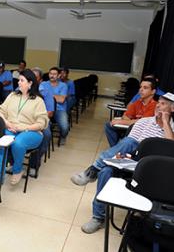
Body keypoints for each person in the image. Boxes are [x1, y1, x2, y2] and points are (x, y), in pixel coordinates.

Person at [71, 93, 174, 234]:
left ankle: (92, 170)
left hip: (153, 171)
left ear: (172, 109)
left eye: (163, 104)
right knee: (107, 170)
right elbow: (130, 147)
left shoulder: (172, 128)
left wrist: (166, 123)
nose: (158, 106)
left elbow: (170, 150)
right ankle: (98, 217)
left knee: (128, 145)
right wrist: (124, 156)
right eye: (158, 103)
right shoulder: (143, 122)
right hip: (132, 162)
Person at [0, 69, 48, 185]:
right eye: (19, 80)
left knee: (18, 142)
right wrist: (7, 124)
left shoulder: (38, 101)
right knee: (0, 142)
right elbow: (0, 112)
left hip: (31, 132)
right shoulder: (13, 95)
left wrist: (22, 128)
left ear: (30, 83)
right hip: (11, 128)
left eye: (22, 80)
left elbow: (41, 123)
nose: (18, 83)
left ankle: (17, 170)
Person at [105, 78, 157, 147]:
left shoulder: (155, 105)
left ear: (153, 91)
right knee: (109, 125)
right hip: (132, 126)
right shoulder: (138, 102)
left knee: (129, 128)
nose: (141, 90)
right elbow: (125, 115)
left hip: (142, 132)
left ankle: (118, 150)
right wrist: (131, 122)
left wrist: (123, 122)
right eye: (140, 87)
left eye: (145, 88)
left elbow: (142, 122)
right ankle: (116, 148)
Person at [30, 67, 54, 173]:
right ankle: (14, 162)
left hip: (41, 120)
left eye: (35, 78)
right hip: (24, 120)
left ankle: (34, 164)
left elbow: (50, 112)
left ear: (40, 80)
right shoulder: (21, 89)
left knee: (46, 134)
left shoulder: (46, 91)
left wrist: (38, 121)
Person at [41, 67, 69, 145]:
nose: (52, 76)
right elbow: (40, 96)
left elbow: (62, 100)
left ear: (59, 75)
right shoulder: (43, 84)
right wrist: (56, 96)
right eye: (50, 74)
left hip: (59, 109)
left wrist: (47, 95)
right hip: (46, 109)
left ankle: (63, 136)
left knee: (65, 126)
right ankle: (46, 138)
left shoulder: (63, 85)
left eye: (54, 74)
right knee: (44, 125)